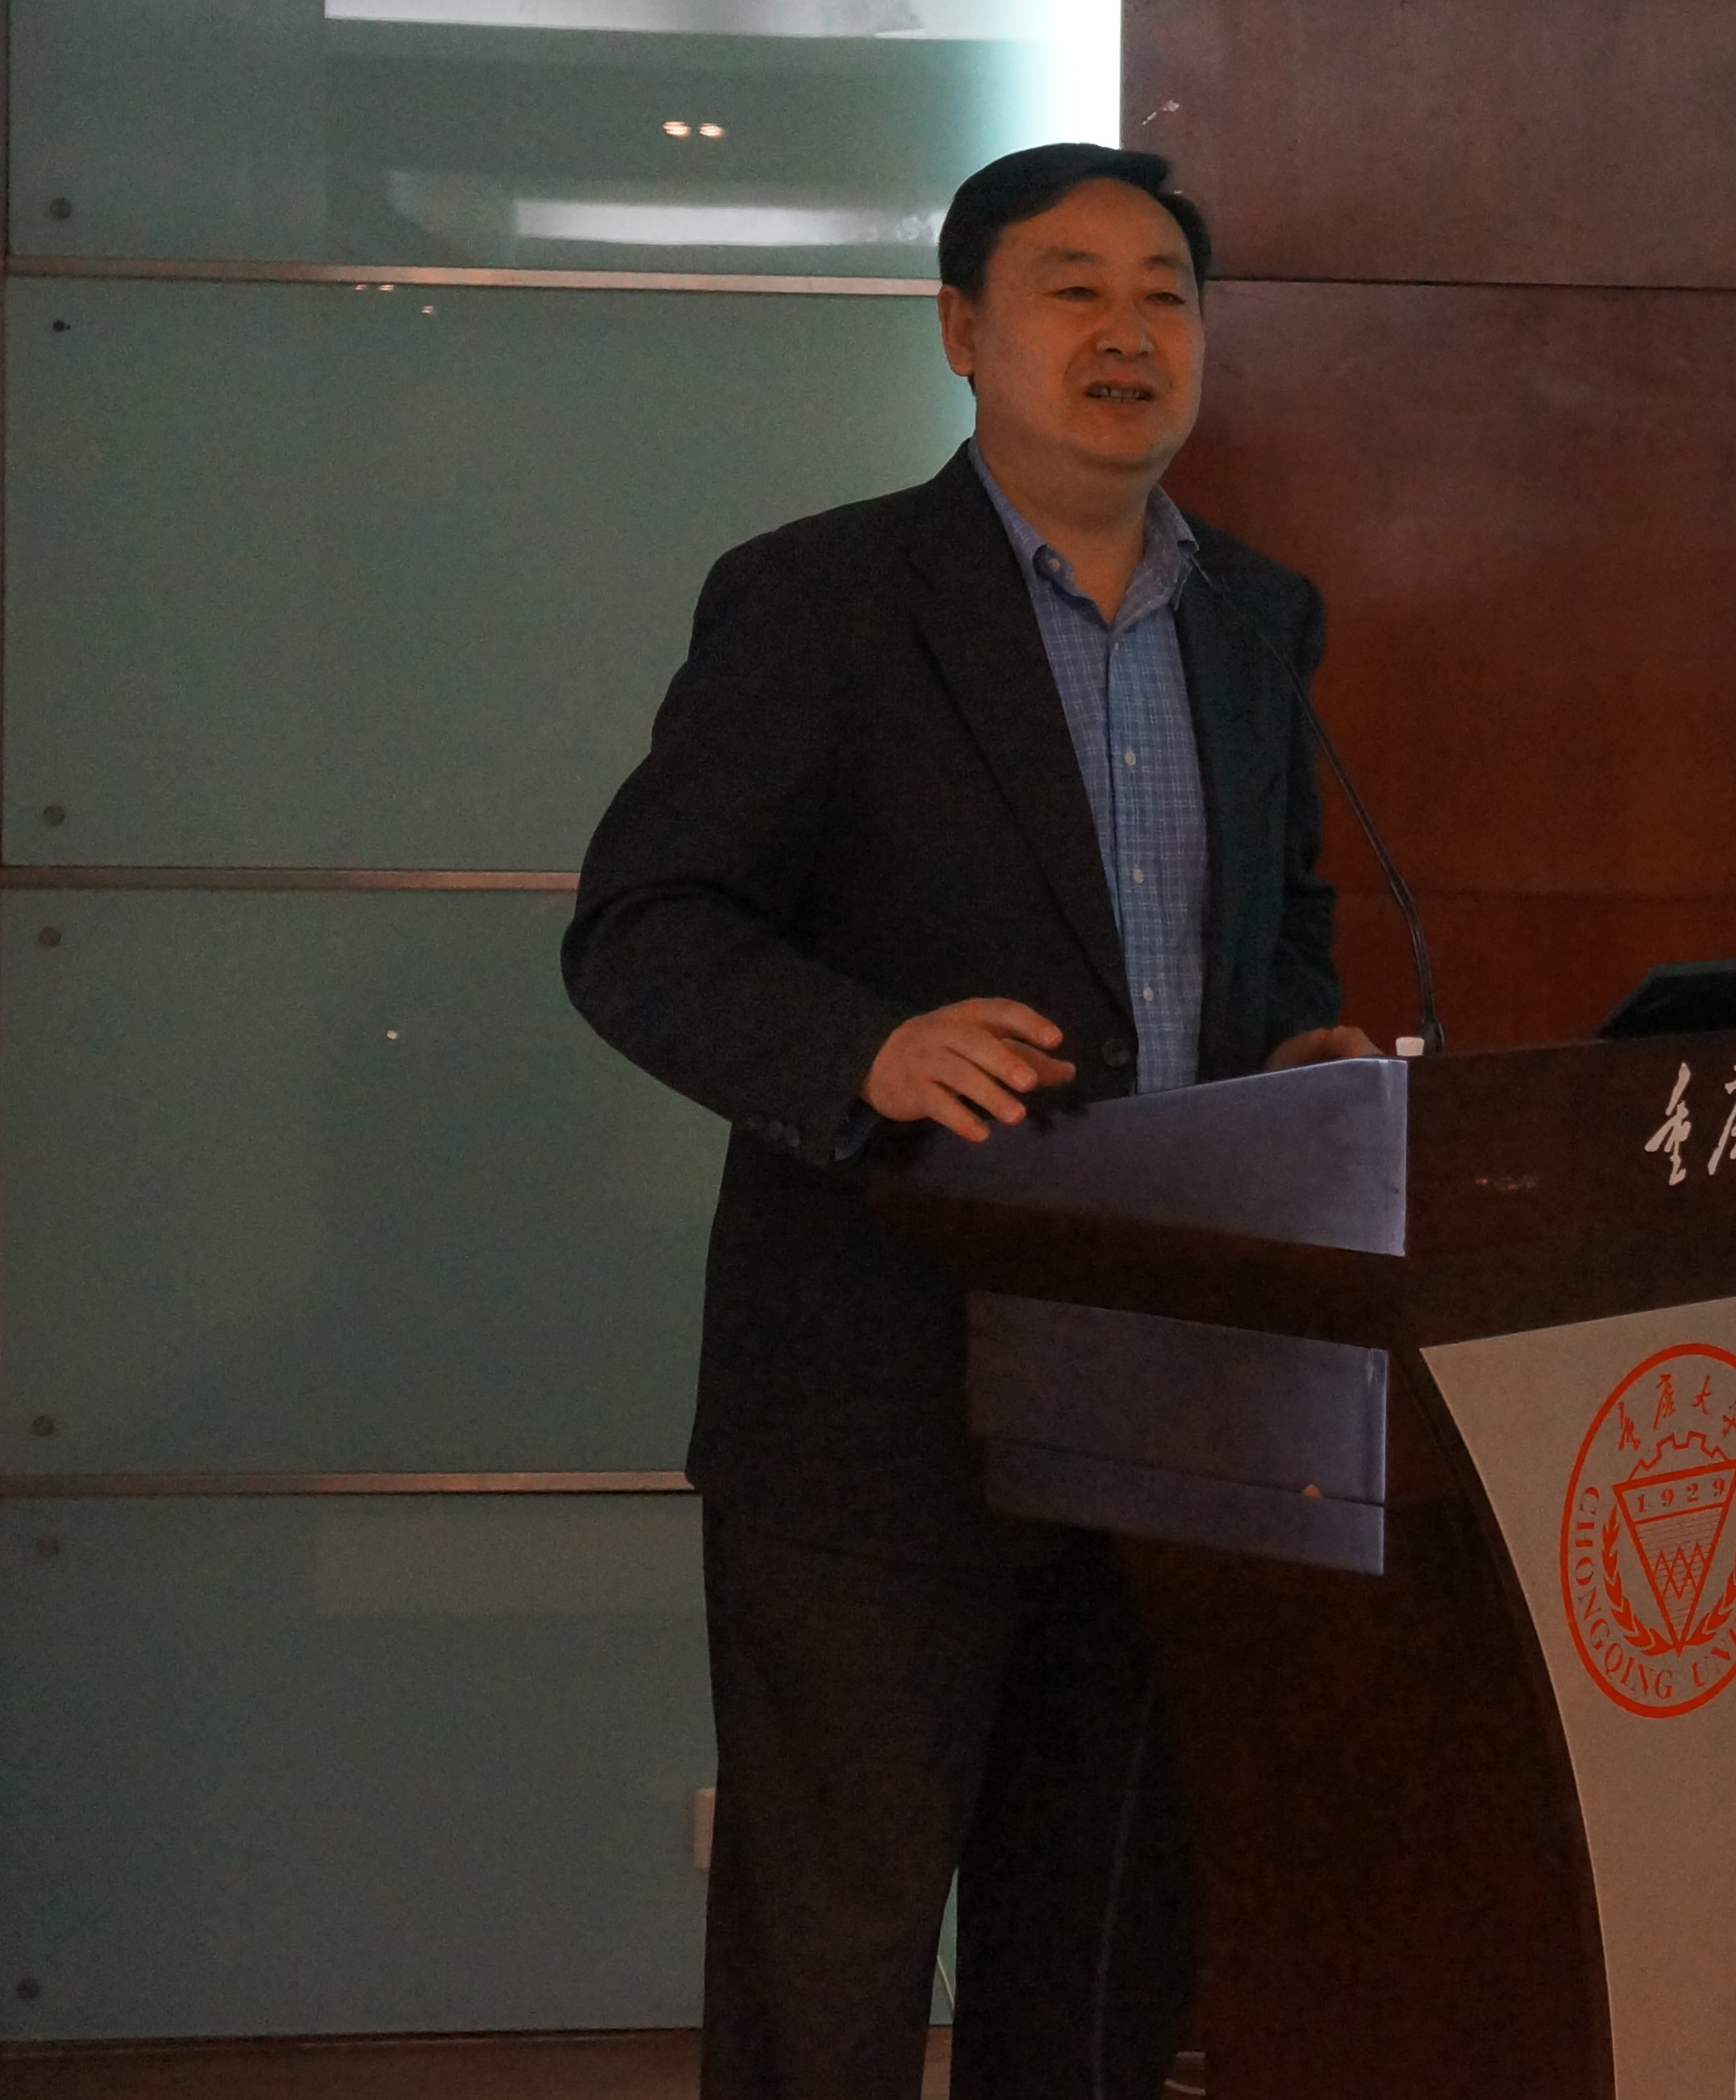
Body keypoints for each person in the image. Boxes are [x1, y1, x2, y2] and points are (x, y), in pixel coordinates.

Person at [564, 142, 1379, 2100]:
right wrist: (867, 1050)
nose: (1126, 332)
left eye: (1164, 293)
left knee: (1099, 1945)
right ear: (960, 331)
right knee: (832, 1938)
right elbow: (644, 926)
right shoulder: (822, 598)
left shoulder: (1253, 618)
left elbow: (1274, 924)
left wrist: (1294, 1051)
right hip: (872, 1395)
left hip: (1168, 1401)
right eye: (1071, 288)